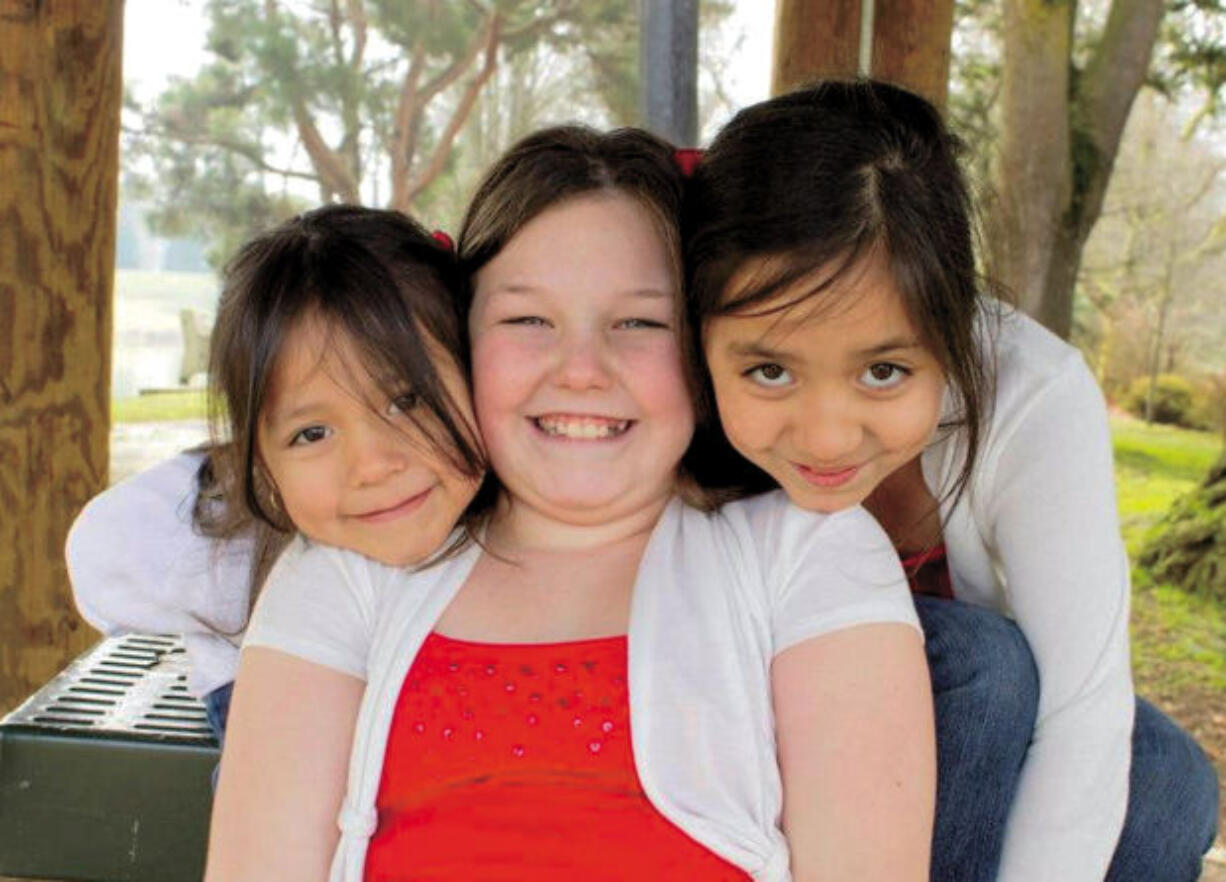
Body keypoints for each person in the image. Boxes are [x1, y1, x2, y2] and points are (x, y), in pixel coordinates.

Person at [205, 126, 933, 881]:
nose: (582, 370)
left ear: (707, 346)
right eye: (528, 321)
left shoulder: (803, 554)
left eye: (639, 323)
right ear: (454, 342)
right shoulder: (351, 570)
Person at [685, 78, 1219, 882]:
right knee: (983, 661)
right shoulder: (667, 403)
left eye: (885, 371)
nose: (827, 434)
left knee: (1170, 777)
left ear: (955, 328)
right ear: (700, 335)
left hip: (954, 766)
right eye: (768, 370)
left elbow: (1083, 707)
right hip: (763, 741)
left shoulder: (1032, 393)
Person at [66, 205, 485, 743]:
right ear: (261, 461)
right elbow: (100, 552)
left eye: (407, 400)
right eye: (312, 434)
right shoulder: (224, 558)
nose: (375, 464)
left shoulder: (544, 521)